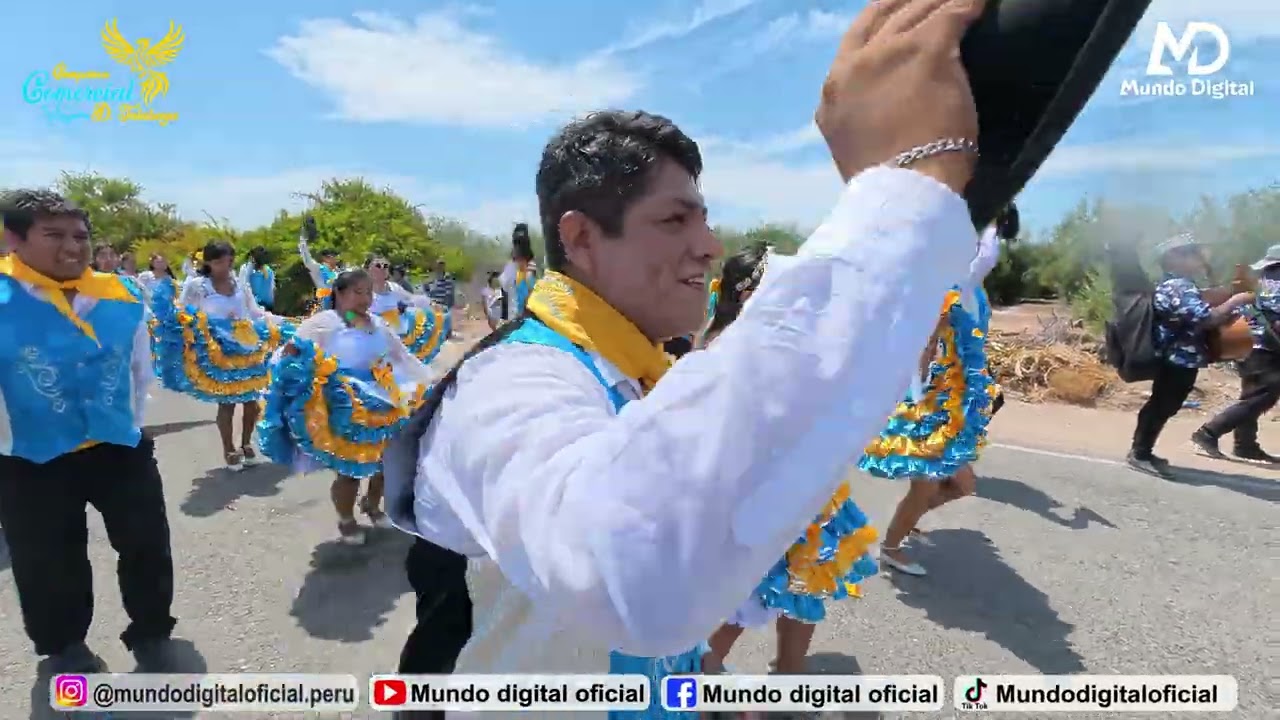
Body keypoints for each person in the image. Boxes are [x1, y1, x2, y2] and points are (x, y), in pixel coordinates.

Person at [380, 0, 987, 705]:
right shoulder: (508, 381)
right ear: (579, 239)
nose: (707, 245)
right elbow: (628, 572)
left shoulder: (635, 364)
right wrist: (905, 194)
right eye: (674, 219)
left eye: (704, 217)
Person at [0, 189, 180, 673]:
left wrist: (132, 425)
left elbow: (141, 369)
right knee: (49, 560)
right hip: (30, 457)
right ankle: (63, 645)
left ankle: (151, 626)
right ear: (13, 239)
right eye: (53, 235)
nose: (72, 247)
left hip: (118, 446)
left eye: (80, 235)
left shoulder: (119, 292)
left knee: (146, 542)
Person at [702, 243, 878, 677]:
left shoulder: (754, 333)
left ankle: (788, 675)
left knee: (803, 584)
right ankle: (690, 680)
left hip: (795, 484)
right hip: (768, 489)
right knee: (744, 600)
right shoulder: (738, 341)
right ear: (749, 292)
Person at [859, 224, 1002, 576]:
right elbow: (922, 344)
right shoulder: (948, 291)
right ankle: (891, 547)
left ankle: (903, 526)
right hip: (934, 404)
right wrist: (915, 396)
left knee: (963, 485)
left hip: (959, 402)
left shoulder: (976, 291)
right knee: (926, 486)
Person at [258, 269, 434, 544]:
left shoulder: (377, 324)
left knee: (384, 462)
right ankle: (346, 518)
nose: (365, 299)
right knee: (351, 467)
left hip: (383, 399)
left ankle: (373, 506)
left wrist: (429, 380)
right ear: (339, 294)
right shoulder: (324, 323)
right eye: (358, 292)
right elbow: (292, 351)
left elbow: (402, 356)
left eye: (368, 292)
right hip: (344, 402)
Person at [152, 240, 295, 471]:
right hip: (218, 349)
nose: (224, 266)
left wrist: (279, 322)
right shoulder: (198, 286)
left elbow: (254, 311)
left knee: (252, 402)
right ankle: (229, 449)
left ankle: (247, 444)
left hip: (248, 345)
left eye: (228, 260)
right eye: (218, 261)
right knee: (227, 403)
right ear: (208, 262)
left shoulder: (239, 283)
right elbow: (182, 312)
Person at [1127, 234, 1253, 476]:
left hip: (1184, 358)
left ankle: (1143, 451)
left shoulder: (1183, 285)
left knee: (1166, 405)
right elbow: (1207, 318)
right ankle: (1139, 453)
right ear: (1173, 258)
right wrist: (1237, 300)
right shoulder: (1177, 287)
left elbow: (1204, 302)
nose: (1198, 258)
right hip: (1175, 359)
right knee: (1162, 405)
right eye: (1192, 253)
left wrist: (1228, 292)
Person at [1191, 244, 1280, 463]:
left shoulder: (1260, 282)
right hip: (1263, 347)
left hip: (1247, 344)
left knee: (1252, 396)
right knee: (1263, 395)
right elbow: (1277, 319)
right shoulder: (1276, 283)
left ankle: (1245, 445)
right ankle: (1208, 433)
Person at [366, 255, 451, 364]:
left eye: (385, 266)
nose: (382, 268)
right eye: (378, 266)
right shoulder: (362, 291)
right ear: (368, 270)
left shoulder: (393, 287)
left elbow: (412, 299)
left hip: (394, 334)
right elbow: (348, 312)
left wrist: (432, 304)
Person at [298, 217, 341, 311]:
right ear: (325, 258)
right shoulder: (319, 269)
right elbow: (307, 259)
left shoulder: (338, 273)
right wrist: (303, 240)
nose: (335, 259)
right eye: (332, 256)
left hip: (337, 309)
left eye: (335, 256)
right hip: (323, 309)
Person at [499, 224, 537, 319]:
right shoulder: (511, 267)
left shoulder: (530, 268)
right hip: (517, 315)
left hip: (525, 316)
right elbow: (505, 290)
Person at [238, 246, 277, 312]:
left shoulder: (247, 269)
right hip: (265, 306)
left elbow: (243, 287)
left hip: (255, 306)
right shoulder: (268, 271)